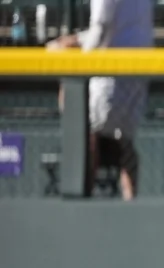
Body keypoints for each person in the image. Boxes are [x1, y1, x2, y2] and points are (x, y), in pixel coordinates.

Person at [47, 0, 153, 200]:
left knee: (89, 135)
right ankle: (131, 201)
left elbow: (101, 28)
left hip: (110, 71)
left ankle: (83, 200)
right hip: (140, 67)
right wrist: (76, 39)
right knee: (125, 142)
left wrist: (77, 52)